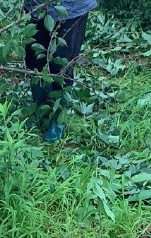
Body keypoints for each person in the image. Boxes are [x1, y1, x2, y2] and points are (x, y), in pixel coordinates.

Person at [23, 0, 97, 142]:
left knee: (62, 61)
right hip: (36, 5)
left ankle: (57, 119)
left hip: (72, 7)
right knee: (34, 58)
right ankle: (41, 110)